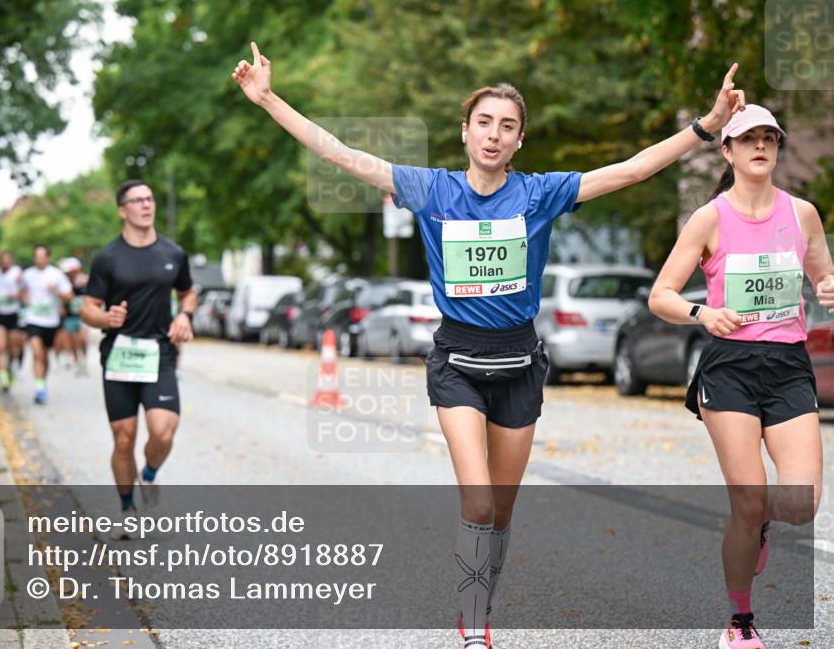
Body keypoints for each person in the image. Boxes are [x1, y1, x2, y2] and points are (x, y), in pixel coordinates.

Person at [233, 42, 747, 647]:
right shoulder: (430, 191)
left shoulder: (538, 194)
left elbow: (631, 169)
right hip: (457, 364)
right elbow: (341, 153)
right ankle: (474, 631)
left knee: (499, 512)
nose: (494, 135)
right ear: (465, 131)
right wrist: (268, 99)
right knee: (477, 501)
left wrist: (704, 129)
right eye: (484, 123)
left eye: (508, 126)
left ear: (520, 140)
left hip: (520, 365)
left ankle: (478, 607)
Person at [649, 104, 830, 649]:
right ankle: (740, 621)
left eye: (769, 139)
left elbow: (823, 273)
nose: (759, 147)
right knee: (746, 502)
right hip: (729, 367)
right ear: (726, 151)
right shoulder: (709, 218)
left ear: (777, 149)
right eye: (747, 139)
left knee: (801, 503)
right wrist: (704, 314)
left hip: (788, 364)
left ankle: (762, 526)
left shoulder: (802, 214)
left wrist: (826, 289)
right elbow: (661, 296)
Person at [82, 180, 197, 536]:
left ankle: (148, 474)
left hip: (159, 353)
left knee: (163, 433)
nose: (146, 205)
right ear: (122, 210)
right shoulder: (108, 258)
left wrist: (184, 316)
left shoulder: (173, 254)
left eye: (150, 199)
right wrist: (106, 319)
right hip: (118, 354)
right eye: (137, 200)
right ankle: (128, 508)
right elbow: (88, 308)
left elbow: (188, 293)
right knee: (123, 439)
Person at [20, 245, 73, 405]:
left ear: (48, 257)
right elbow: (21, 291)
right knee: (36, 353)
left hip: (51, 321)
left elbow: (69, 297)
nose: (40, 259)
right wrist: (25, 299)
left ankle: (43, 381)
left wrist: (56, 291)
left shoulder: (56, 275)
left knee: (44, 356)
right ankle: (39, 388)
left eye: (42, 256)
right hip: (33, 319)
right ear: (33, 258)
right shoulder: (27, 274)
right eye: (37, 256)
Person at [0, 251, 24, 391]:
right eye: (2, 260)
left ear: (11, 261)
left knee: (12, 349)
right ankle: (3, 378)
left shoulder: (18, 273)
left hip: (14, 313)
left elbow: (26, 292)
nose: (5, 262)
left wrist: (16, 295)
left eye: (7, 260)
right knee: (0, 346)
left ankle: (10, 367)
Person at [57, 257, 89, 375]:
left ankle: (83, 359)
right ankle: (77, 362)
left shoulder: (85, 281)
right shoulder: (63, 284)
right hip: (69, 316)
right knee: (73, 341)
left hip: (83, 316)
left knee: (83, 338)